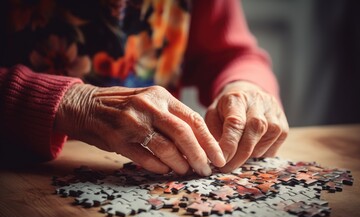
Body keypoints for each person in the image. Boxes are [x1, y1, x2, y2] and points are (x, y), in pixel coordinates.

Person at [0, 0, 288, 176]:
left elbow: (230, 53)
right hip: (18, 177)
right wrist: (74, 103)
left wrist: (246, 85)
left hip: (149, 177)